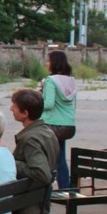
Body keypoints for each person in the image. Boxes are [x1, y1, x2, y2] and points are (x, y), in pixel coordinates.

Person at [10, 89, 59, 214]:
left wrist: (11, 162)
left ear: (25, 113)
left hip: (27, 205)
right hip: (39, 199)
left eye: (14, 107)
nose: (11, 109)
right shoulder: (47, 132)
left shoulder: (30, 139)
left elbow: (42, 174)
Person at [40, 50, 77, 189]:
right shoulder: (70, 80)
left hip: (52, 125)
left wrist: (35, 103)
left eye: (48, 61)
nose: (47, 63)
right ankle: (65, 187)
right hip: (68, 125)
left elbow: (49, 104)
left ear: (54, 63)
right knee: (60, 157)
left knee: (47, 157)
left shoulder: (50, 81)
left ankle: (45, 189)